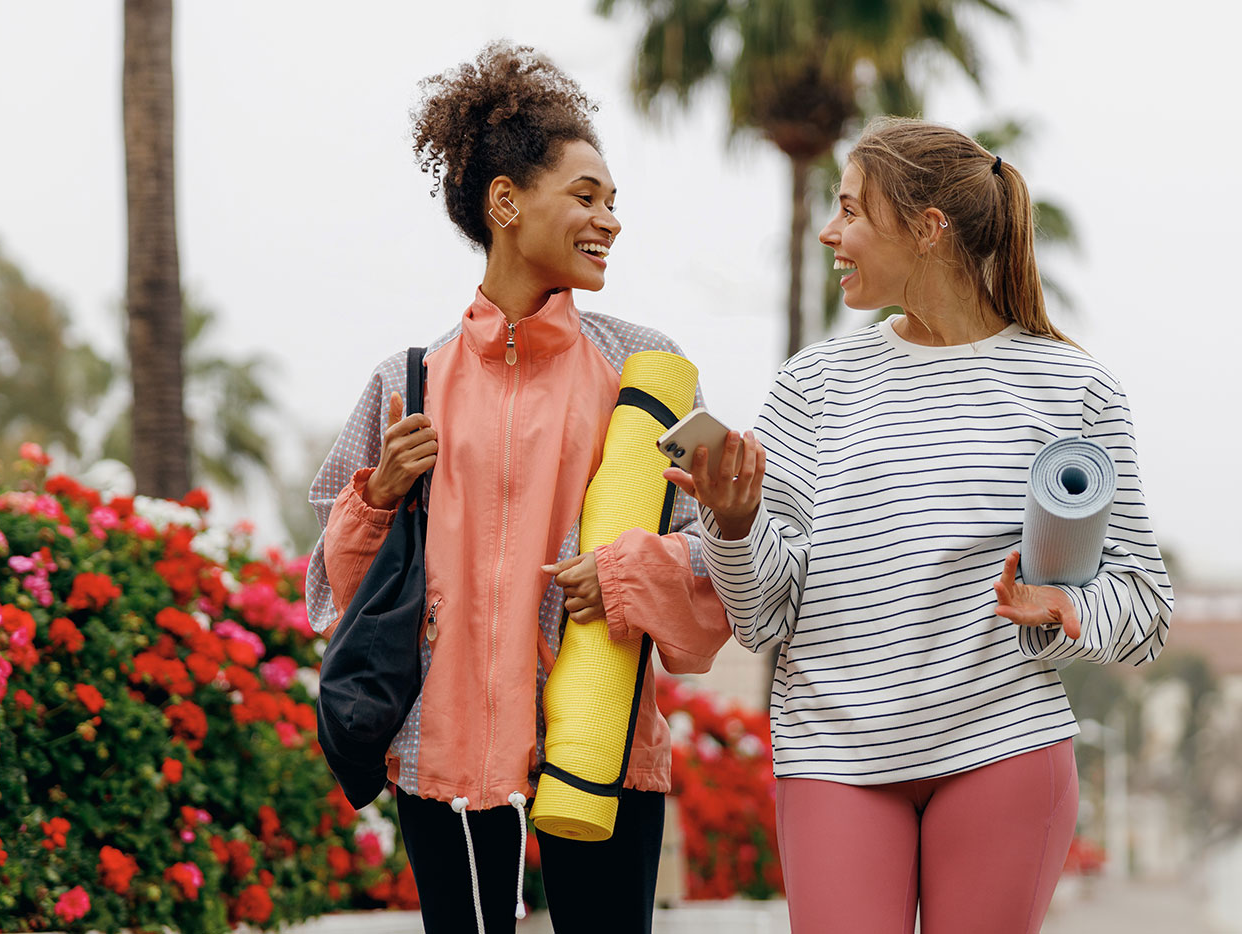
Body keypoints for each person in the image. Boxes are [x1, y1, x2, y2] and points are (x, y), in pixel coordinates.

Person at [666, 117, 1175, 934]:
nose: (830, 233)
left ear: (928, 229)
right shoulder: (814, 385)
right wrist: (734, 526)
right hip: (834, 758)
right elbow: (764, 617)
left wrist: (1065, 611)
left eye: (852, 212)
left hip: (1004, 749)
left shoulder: (1074, 388)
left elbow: (1145, 606)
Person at [306, 42, 730, 934]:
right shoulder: (405, 382)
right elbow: (334, 595)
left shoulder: (645, 374)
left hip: (601, 742)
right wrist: (376, 495)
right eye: (585, 196)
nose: (609, 220)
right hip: (446, 757)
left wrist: (622, 572)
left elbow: (716, 567)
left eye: (614, 202)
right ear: (506, 202)